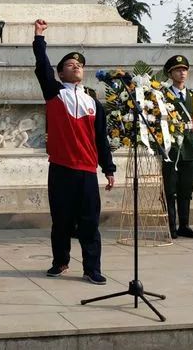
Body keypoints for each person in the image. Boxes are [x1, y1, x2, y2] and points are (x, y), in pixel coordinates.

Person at [32, 19, 116, 285]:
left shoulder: (93, 102)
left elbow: (100, 138)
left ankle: (92, 268)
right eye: (70, 64)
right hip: (61, 167)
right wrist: (39, 37)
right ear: (60, 73)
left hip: (87, 170)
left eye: (79, 64)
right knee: (61, 221)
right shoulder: (55, 93)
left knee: (90, 222)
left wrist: (109, 168)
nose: (76, 66)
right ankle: (60, 261)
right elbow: (42, 66)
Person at [161, 55, 193, 239]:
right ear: (170, 73)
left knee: (187, 188)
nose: (182, 73)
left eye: (184, 69)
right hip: (172, 148)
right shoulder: (162, 95)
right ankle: (171, 226)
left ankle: (184, 225)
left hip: (190, 146)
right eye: (178, 70)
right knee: (170, 189)